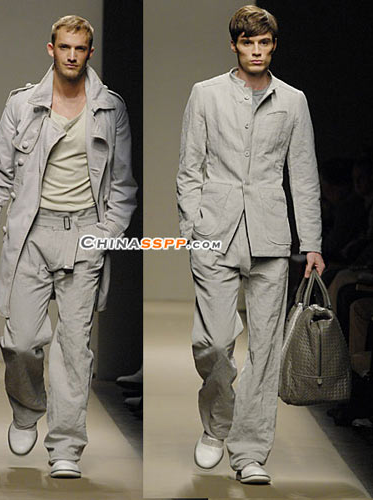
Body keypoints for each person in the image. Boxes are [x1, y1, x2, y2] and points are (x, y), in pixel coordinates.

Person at [0, 15, 137, 478]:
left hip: (86, 233)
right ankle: (27, 411)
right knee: (20, 342)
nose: (71, 56)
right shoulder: (23, 105)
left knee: (74, 349)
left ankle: (66, 446)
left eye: (80, 49)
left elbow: (123, 184)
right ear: (51, 49)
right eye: (64, 47)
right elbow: (0, 169)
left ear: (89, 52)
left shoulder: (110, 109)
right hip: (32, 232)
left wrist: (104, 237)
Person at [176, 5, 325, 484]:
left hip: (270, 235)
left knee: (265, 349)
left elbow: (303, 175)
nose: (256, 51)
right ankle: (217, 424)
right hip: (214, 233)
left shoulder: (293, 101)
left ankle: (249, 452)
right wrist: (192, 228)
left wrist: (312, 242)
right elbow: (189, 167)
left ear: (273, 46)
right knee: (213, 343)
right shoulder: (205, 94)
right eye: (247, 43)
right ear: (234, 45)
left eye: (264, 43)